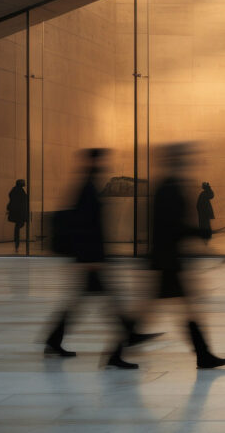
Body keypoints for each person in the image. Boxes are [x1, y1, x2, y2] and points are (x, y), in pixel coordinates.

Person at [43, 148, 159, 369]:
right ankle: (121, 346)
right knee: (110, 303)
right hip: (91, 261)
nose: (104, 165)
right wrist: (89, 259)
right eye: (100, 161)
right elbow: (85, 227)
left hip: (91, 259)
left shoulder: (88, 186)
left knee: (85, 303)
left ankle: (54, 340)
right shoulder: (87, 189)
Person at [134, 144, 225, 369]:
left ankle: (203, 355)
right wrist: (199, 232)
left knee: (163, 309)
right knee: (183, 308)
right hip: (167, 261)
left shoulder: (168, 186)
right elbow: (170, 226)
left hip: (168, 260)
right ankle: (203, 355)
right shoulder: (168, 188)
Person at [6, 179, 30, 253]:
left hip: (19, 213)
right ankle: (17, 243)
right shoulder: (19, 191)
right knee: (18, 226)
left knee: (18, 227)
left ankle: (17, 243)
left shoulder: (15, 191)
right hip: (20, 213)